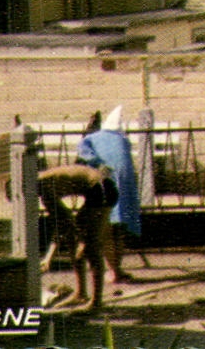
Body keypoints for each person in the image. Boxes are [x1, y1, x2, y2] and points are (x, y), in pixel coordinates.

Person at [77, 110, 141, 285]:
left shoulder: (91, 139)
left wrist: (97, 163)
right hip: (125, 190)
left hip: (105, 187)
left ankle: (112, 272)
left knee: (105, 232)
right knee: (118, 232)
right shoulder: (123, 141)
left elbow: (83, 153)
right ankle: (117, 270)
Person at [37, 163, 109, 310]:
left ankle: (96, 302)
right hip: (98, 186)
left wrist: (48, 258)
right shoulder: (40, 182)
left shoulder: (44, 188)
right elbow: (64, 225)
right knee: (74, 240)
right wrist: (48, 257)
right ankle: (81, 294)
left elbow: (61, 224)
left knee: (90, 246)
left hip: (101, 188)